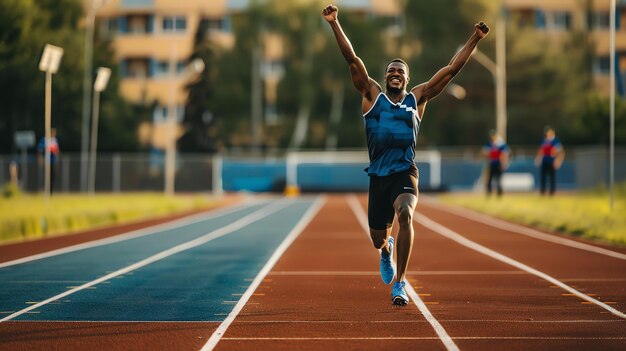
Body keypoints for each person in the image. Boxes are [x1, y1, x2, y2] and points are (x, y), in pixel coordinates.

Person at [322, 4, 489, 305]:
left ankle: (400, 283)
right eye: (391, 71)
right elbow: (351, 58)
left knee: (405, 214)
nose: (395, 74)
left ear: (408, 80)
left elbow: (451, 69)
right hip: (378, 176)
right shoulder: (371, 96)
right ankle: (385, 250)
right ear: (385, 78)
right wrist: (335, 23)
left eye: (400, 71)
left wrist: (474, 38)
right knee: (376, 238)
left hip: (405, 173)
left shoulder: (418, 99)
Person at [535, 126, 564, 195]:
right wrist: (538, 159)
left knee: (552, 178)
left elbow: (561, 152)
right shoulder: (544, 141)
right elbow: (540, 150)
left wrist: (558, 161)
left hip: (552, 161)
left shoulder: (555, 141)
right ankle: (542, 192)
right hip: (544, 161)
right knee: (543, 178)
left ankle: (552, 193)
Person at [482, 130, 509, 197]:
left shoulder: (501, 144)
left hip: (498, 163)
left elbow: (505, 153)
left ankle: (499, 193)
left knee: (498, 179)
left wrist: (504, 163)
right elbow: (484, 152)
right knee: (489, 179)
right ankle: (489, 193)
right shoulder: (489, 144)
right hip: (491, 163)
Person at [37, 128, 60, 193]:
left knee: (52, 177)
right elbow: (40, 149)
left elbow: (57, 150)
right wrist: (40, 158)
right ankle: (46, 190)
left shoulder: (55, 140)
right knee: (46, 176)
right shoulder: (44, 139)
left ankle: (51, 191)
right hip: (46, 161)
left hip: (53, 161)